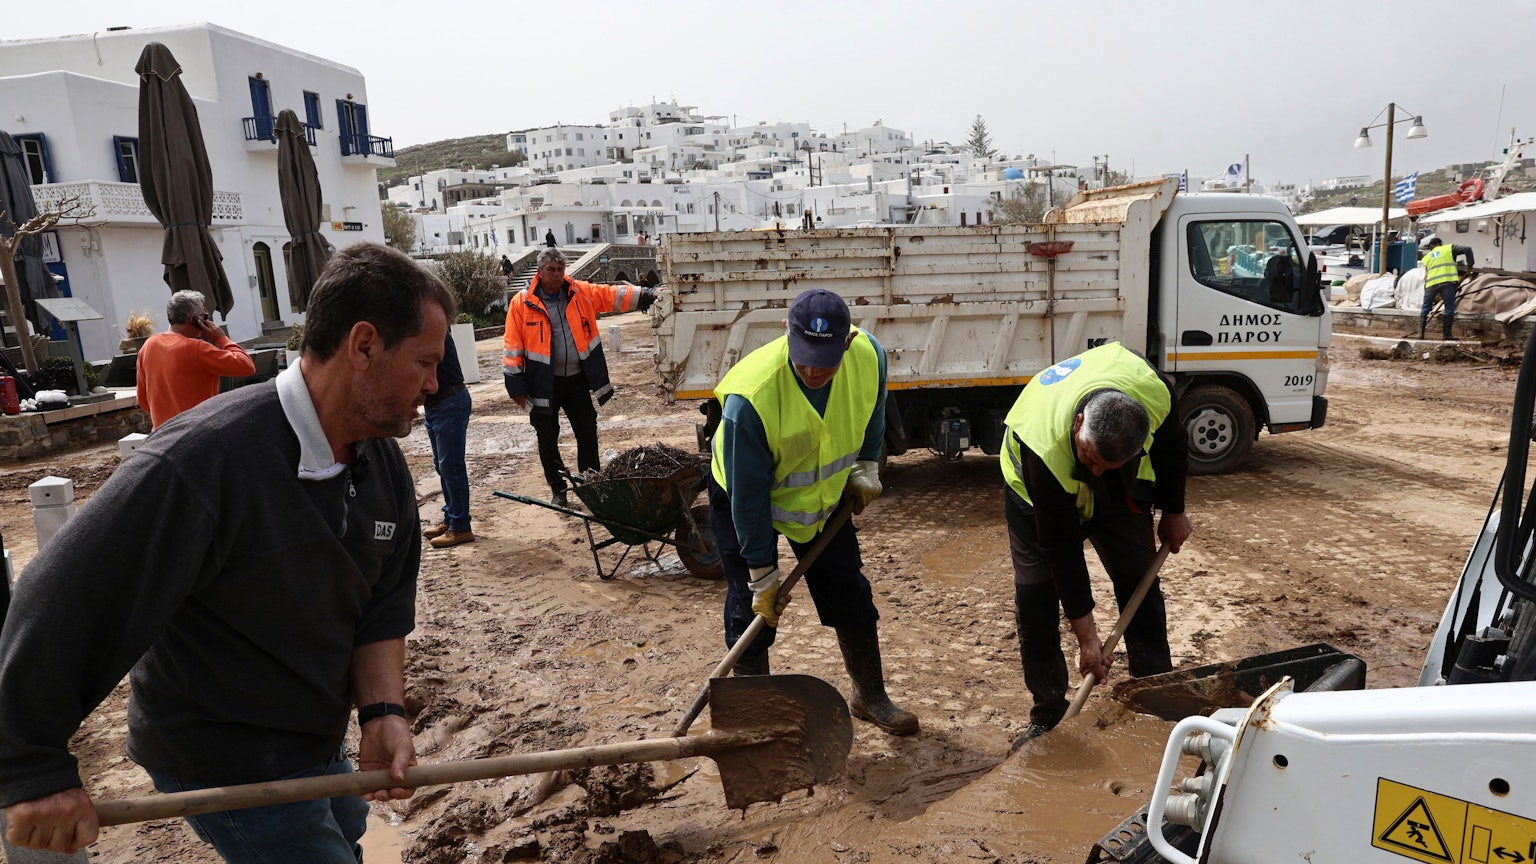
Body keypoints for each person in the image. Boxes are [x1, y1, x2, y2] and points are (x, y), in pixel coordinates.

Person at [0, 242, 454, 861]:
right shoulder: (201, 464)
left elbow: (383, 601)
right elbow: (58, 596)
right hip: (225, 757)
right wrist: (31, 766)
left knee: (344, 832)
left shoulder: (380, 462)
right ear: (365, 345)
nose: (435, 384)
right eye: (425, 362)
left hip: (309, 736)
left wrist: (381, 711)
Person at [708, 288, 918, 736]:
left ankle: (870, 695)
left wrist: (865, 465)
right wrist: (764, 578)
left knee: (848, 591)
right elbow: (749, 503)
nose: (813, 370)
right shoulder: (752, 399)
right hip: (745, 498)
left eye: (826, 359)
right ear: (787, 333)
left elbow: (875, 406)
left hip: (822, 499)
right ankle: (754, 718)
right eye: (804, 358)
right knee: (750, 605)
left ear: (847, 343)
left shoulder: (869, 357)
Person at [1000, 341, 1192, 750]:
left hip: (1118, 497)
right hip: (1035, 502)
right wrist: (1089, 641)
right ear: (1079, 422)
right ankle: (1048, 711)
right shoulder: (1044, 445)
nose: (1096, 470)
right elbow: (1062, 552)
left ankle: (1154, 692)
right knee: (1036, 600)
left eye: (1107, 464)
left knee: (1139, 582)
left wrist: (1173, 511)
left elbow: (1174, 446)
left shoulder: (1155, 393)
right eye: (1090, 460)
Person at [502, 248, 659, 507]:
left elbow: (611, 294)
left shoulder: (579, 292)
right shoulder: (521, 303)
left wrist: (646, 294)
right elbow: (512, 348)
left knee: (587, 430)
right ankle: (558, 489)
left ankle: (590, 484)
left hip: (576, 380)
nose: (556, 274)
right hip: (543, 383)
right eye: (551, 270)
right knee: (547, 438)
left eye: (560, 269)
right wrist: (516, 386)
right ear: (540, 272)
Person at [135, 290, 257, 430]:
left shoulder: (148, 346)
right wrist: (221, 338)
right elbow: (247, 366)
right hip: (196, 433)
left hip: (162, 434)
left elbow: (143, 401)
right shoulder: (197, 349)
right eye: (205, 316)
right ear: (194, 319)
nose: (207, 320)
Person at [423, 331, 474, 548]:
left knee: (451, 467)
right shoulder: (421, 320)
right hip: (436, 405)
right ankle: (451, 517)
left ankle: (461, 527)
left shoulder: (431, 325)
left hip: (449, 402)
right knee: (442, 466)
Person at [1419, 237, 1475, 341]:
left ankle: (1420, 334)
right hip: (1447, 283)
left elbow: (1427, 275)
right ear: (1440, 244)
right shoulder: (1449, 248)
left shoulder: (1426, 257)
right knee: (1449, 307)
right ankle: (1447, 334)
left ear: (1431, 246)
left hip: (1431, 284)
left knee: (1425, 308)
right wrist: (1470, 266)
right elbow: (1467, 249)